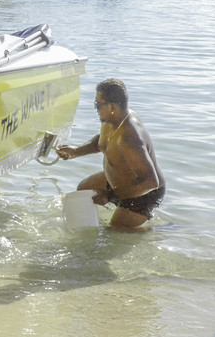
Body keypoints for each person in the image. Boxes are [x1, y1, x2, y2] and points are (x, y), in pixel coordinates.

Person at [56, 78, 166, 231]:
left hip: (143, 193)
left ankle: (151, 232)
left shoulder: (130, 138)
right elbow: (101, 142)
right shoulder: (110, 120)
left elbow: (150, 182)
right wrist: (75, 151)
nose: (95, 108)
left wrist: (109, 196)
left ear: (112, 107)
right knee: (84, 189)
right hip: (119, 180)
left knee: (115, 230)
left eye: (98, 104)